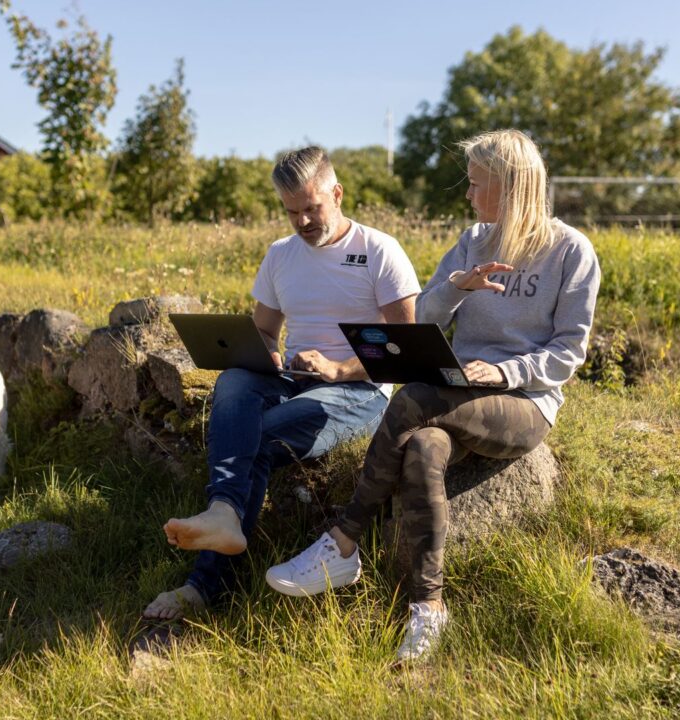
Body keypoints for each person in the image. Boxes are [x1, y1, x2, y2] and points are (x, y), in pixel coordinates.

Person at [264, 129, 601, 663]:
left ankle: (344, 539)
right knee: (422, 449)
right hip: (458, 390)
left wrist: (504, 372)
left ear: (509, 187)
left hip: (526, 402)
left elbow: (568, 353)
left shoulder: (570, 251)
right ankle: (429, 609)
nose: (468, 195)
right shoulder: (473, 240)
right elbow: (421, 318)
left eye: (475, 184)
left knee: (416, 396)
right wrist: (458, 288)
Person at [143, 146, 421, 620]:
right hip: (293, 379)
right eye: (292, 212)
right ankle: (224, 515)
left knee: (263, 435)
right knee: (233, 380)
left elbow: (405, 352)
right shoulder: (280, 256)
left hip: (358, 391)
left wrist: (337, 369)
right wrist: (268, 352)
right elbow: (266, 329)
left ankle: (205, 586)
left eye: (311, 209)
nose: (302, 222)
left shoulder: (379, 250)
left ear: (336, 194)